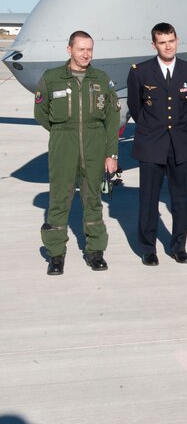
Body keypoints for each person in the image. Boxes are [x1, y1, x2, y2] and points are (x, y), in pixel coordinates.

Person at [34, 31, 120, 275]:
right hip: (63, 144)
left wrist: (111, 153)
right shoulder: (52, 78)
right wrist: (62, 132)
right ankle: (56, 254)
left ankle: (95, 252)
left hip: (94, 143)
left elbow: (113, 118)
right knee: (59, 201)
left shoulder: (101, 79)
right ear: (69, 49)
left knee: (93, 200)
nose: (86, 54)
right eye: (81, 49)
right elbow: (41, 114)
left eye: (90, 49)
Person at [127, 22, 187, 266]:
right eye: (162, 42)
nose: (168, 46)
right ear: (154, 44)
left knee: (180, 199)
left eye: (171, 40)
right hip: (151, 143)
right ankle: (148, 248)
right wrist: (153, 129)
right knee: (148, 200)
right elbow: (136, 109)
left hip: (181, 144)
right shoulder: (140, 71)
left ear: (177, 40)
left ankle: (179, 247)